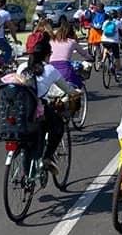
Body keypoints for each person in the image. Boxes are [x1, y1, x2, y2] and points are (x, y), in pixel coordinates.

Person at [15, 34, 81, 173]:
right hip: (37, 108)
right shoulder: (50, 70)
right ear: (46, 55)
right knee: (58, 127)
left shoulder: (22, 67)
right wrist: (76, 93)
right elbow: (67, 89)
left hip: (19, 107)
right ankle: (47, 157)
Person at [50, 17, 93, 88]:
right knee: (78, 83)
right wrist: (91, 58)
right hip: (65, 68)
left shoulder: (52, 41)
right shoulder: (72, 42)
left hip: (51, 68)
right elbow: (84, 53)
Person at [100, 11, 122, 81]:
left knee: (106, 48)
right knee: (117, 57)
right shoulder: (118, 22)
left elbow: (102, 30)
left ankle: (103, 60)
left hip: (104, 41)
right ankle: (118, 72)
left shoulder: (105, 22)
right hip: (114, 42)